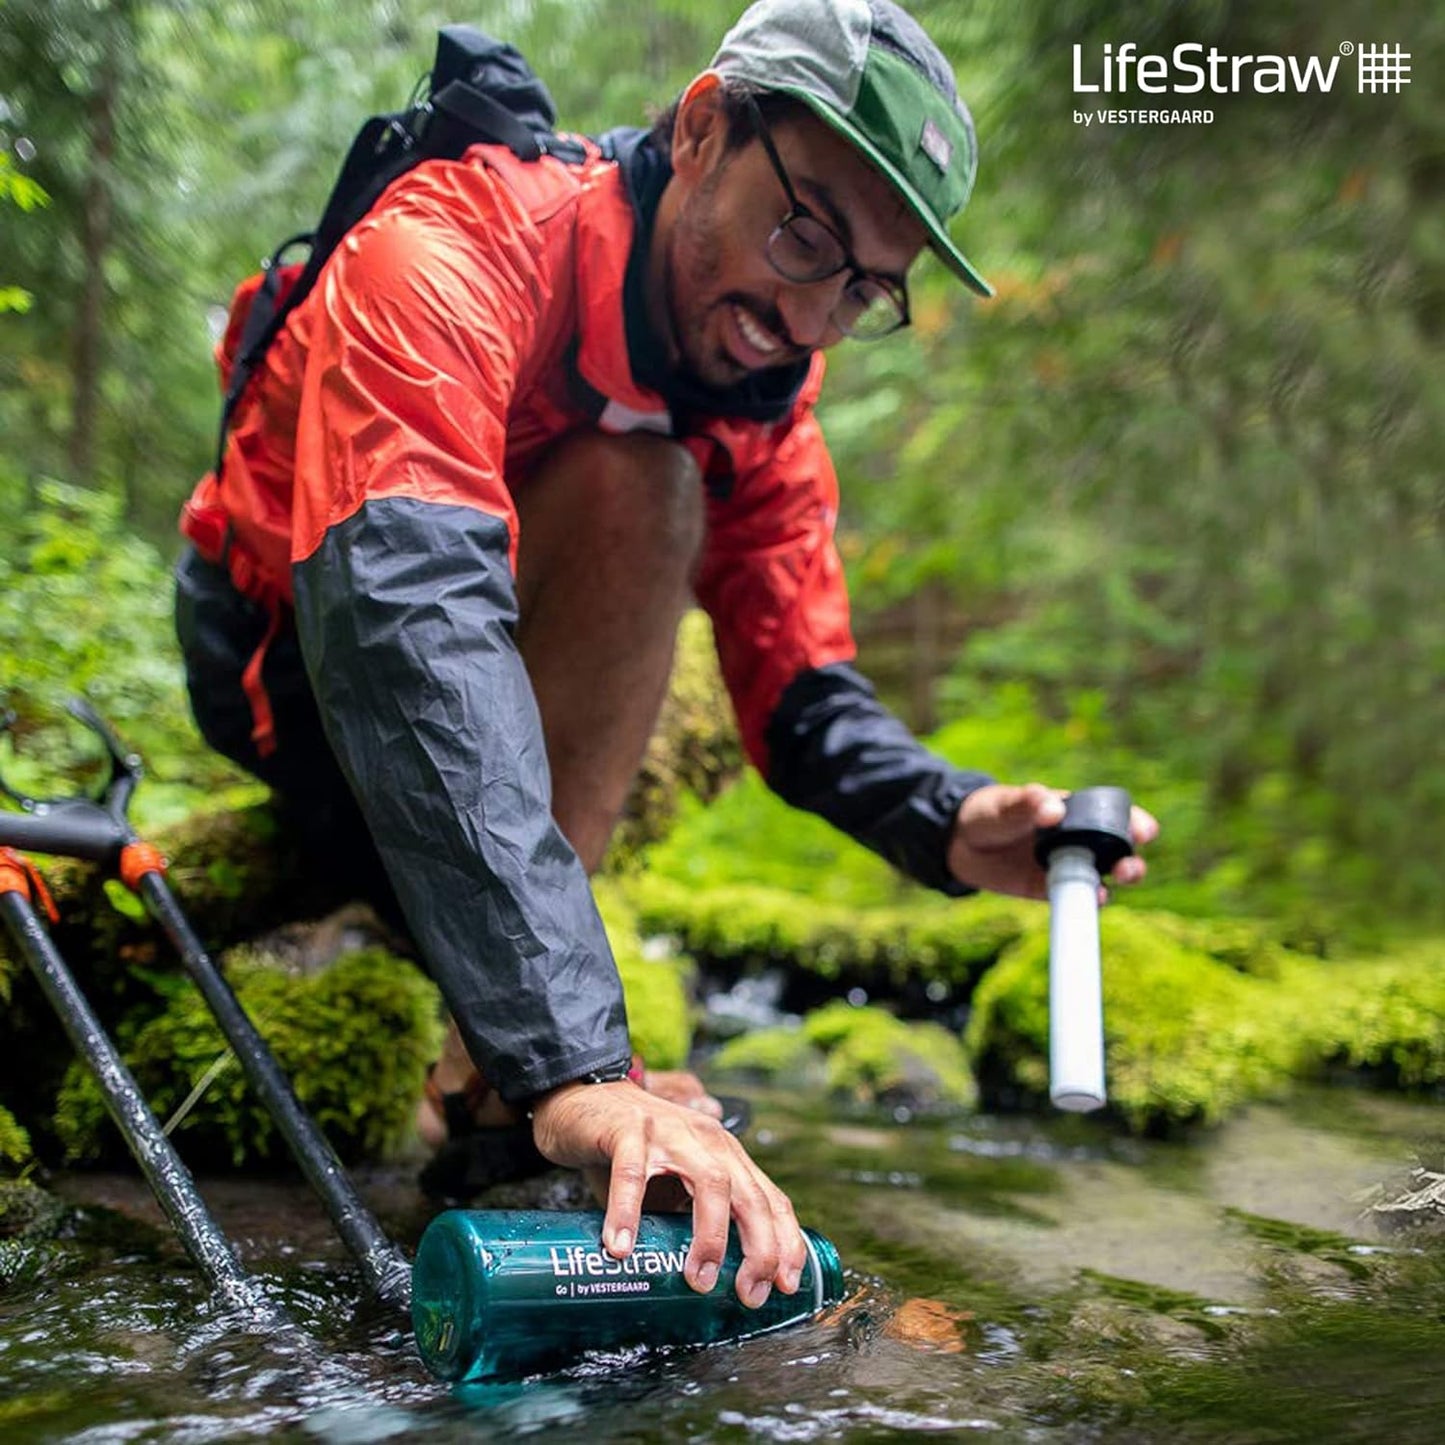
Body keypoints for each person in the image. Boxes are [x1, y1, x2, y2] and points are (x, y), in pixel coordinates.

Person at [175, 0, 1157, 1312]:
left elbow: (798, 683)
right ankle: (507, 1069)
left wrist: (945, 819)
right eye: (804, 234)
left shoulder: (761, 404)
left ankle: (488, 1066)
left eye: (865, 288)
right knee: (639, 486)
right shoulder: (456, 247)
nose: (808, 315)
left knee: (654, 476)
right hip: (288, 659)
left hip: (471, 675)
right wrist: (581, 1070)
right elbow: (407, 621)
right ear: (700, 128)